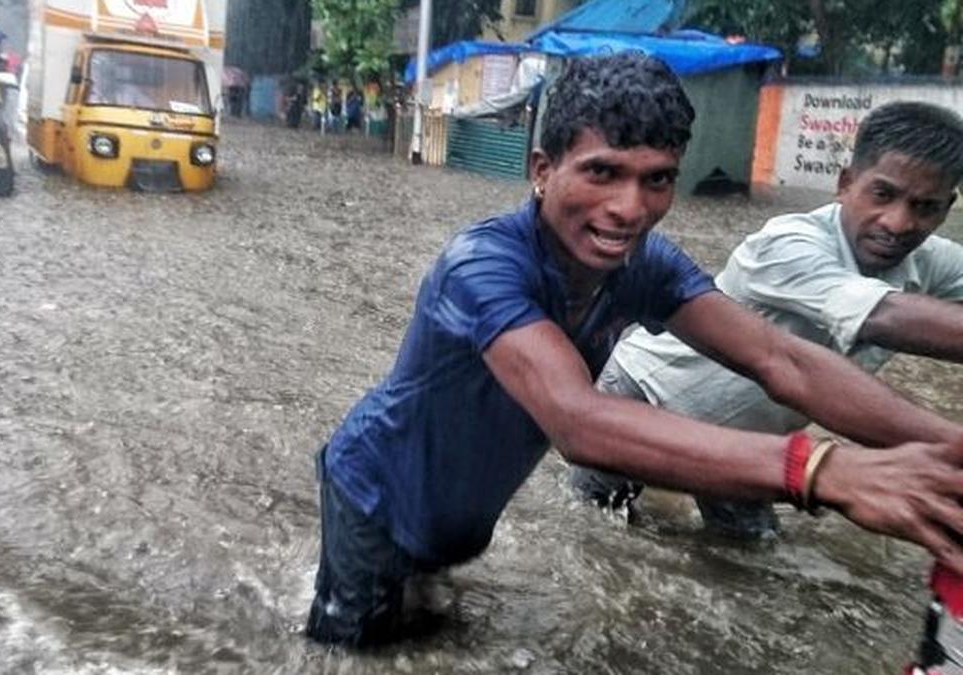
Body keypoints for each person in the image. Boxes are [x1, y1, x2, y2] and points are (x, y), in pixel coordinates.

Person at [305, 53, 963, 650]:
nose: (629, 208)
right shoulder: (480, 267)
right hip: (372, 501)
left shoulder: (643, 264)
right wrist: (819, 469)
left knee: (429, 638)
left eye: (657, 179)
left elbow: (779, 359)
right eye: (602, 172)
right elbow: (578, 421)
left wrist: (948, 448)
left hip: (455, 517)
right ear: (543, 170)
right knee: (352, 658)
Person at [570, 101, 963, 539]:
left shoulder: (933, 263)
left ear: (946, 209)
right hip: (644, 396)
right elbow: (884, 316)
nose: (898, 222)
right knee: (591, 528)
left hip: (746, 440)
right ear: (846, 183)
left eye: (925, 207)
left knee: (751, 555)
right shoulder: (788, 243)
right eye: (883, 195)